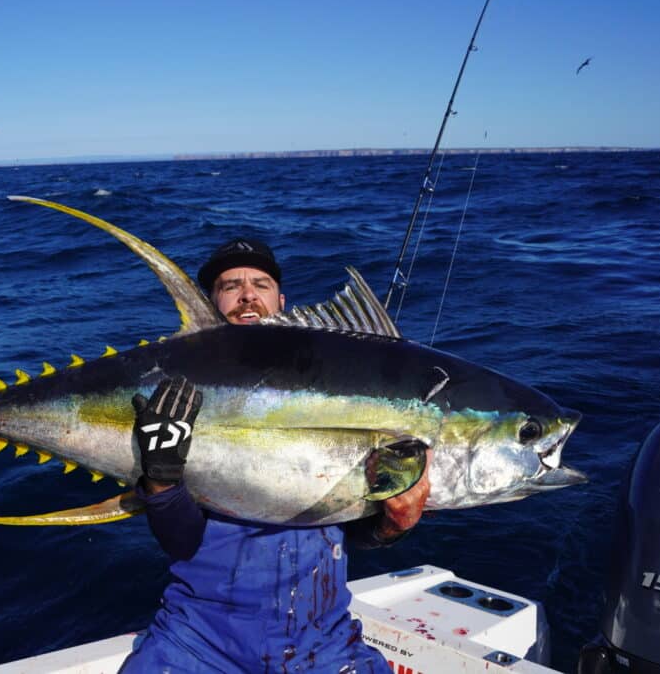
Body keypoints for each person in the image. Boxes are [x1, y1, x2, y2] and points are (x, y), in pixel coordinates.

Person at [119, 238, 432, 673]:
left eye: (260, 284)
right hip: (197, 639)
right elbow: (182, 542)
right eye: (230, 286)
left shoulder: (330, 375)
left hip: (322, 641)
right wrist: (162, 480)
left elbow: (350, 530)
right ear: (211, 303)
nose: (247, 295)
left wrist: (392, 525)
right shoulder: (177, 393)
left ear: (281, 301)